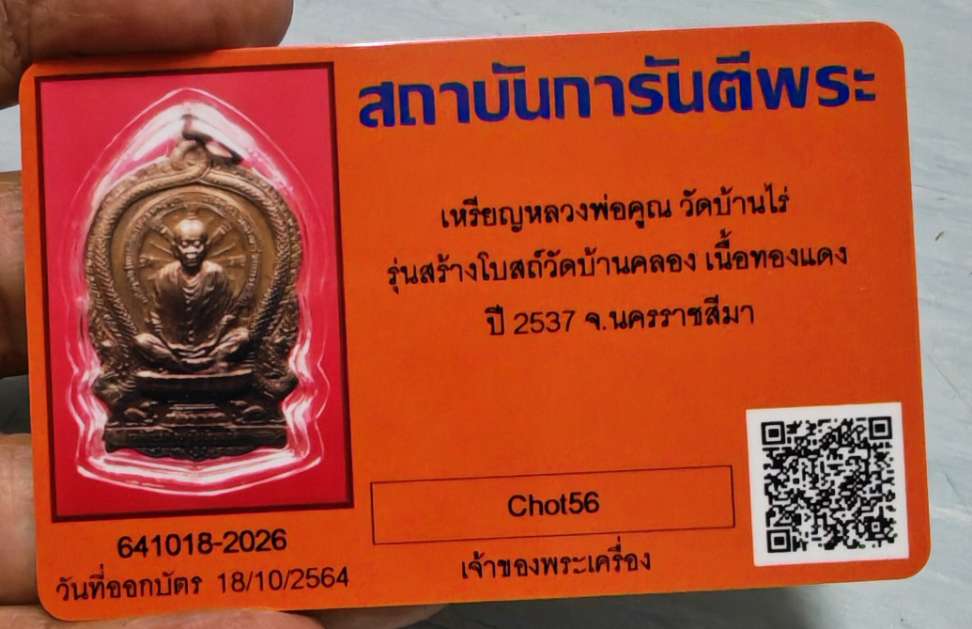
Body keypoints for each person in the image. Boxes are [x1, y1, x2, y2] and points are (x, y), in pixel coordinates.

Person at [0, 2, 439, 627]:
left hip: (222, 362)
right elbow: (148, 325)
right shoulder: (157, 277)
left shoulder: (218, 277)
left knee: (237, 351)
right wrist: (160, 348)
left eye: (197, 246)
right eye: (181, 246)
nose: (188, 253)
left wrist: (228, 342)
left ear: (207, 248)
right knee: (145, 354)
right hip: (161, 364)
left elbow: (238, 318)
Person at [136, 215, 249, 373]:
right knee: (142, 341)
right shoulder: (164, 275)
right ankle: (205, 368)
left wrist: (212, 341)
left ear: (205, 247)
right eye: (185, 245)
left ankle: (179, 368)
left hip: (212, 346)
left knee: (243, 336)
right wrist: (170, 344)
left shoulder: (216, 273)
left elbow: (228, 316)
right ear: (175, 248)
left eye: (197, 245)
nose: (192, 251)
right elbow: (155, 317)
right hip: (173, 347)